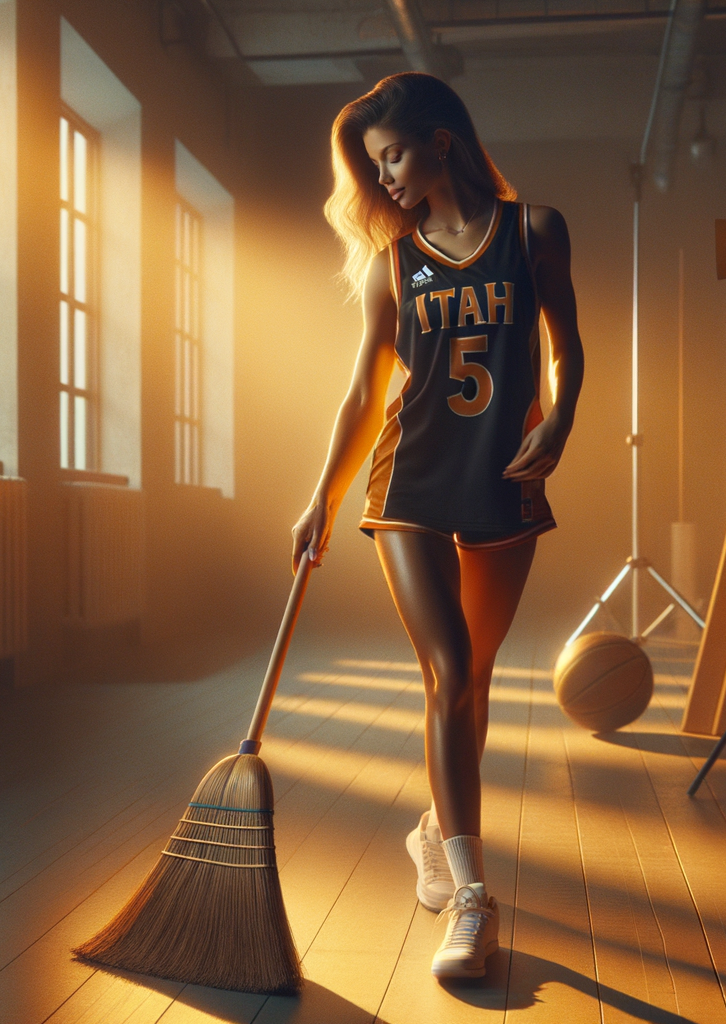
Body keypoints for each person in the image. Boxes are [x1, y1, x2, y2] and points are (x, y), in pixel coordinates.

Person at [291, 73, 583, 981]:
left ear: (441, 142)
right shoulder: (391, 266)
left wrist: (561, 420)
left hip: (502, 478)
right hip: (409, 481)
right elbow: (361, 394)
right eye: (374, 167)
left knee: (475, 680)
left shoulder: (535, 230)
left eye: (392, 157)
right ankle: (470, 901)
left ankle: (433, 829)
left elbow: (566, 347)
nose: (382, 180)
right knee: (450, 671)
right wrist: (322, 497)